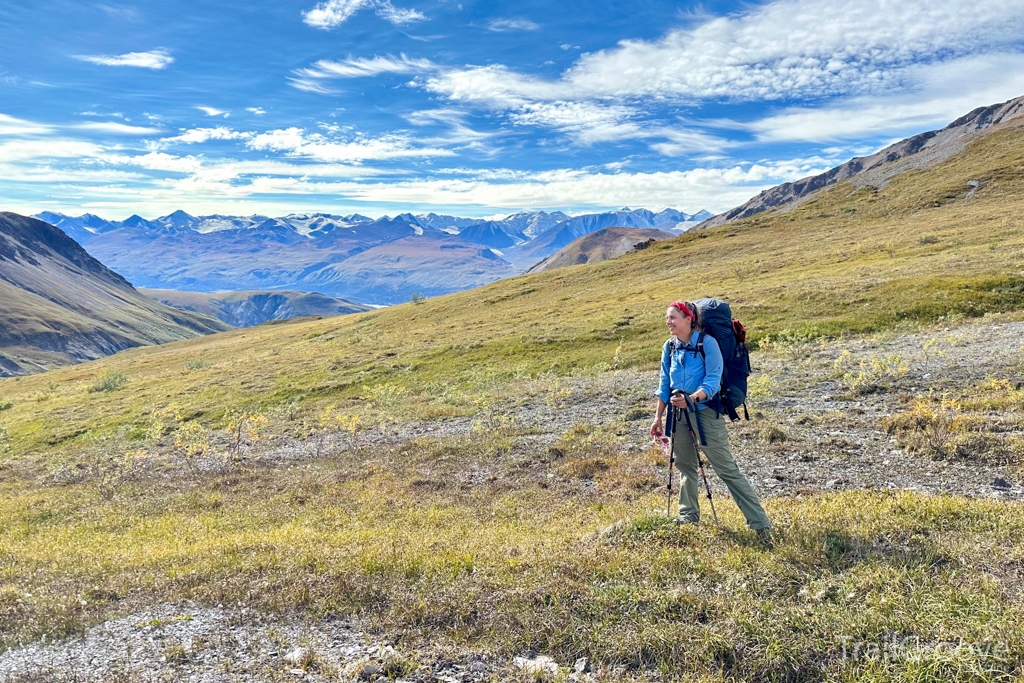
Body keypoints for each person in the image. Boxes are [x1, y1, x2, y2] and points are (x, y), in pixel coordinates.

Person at [650, 301, 774, 547]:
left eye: (673, 317)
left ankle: (761, 526)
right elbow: (664, 384)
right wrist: (658, 417)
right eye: (667, 317)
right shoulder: (670, 347)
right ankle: (688, 517)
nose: (668, 322)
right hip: (678, 414)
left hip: (706, 413)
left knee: (726, 469)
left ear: (689, 319)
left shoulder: (708, 343)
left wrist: (692, 398)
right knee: (685, 465)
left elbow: (713, 382)